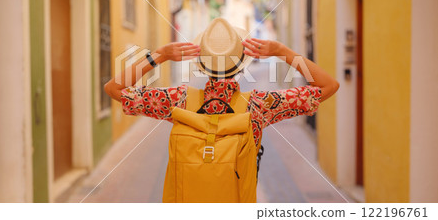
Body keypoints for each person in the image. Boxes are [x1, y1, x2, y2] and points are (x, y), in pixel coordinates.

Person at [104, 18, 339, 149]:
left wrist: (159, 55)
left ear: (201, 64)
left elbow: (114, 88)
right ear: (241, 65)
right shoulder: (261, 105)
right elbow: (328, 86)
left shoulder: (177, 101)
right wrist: (283, 51)